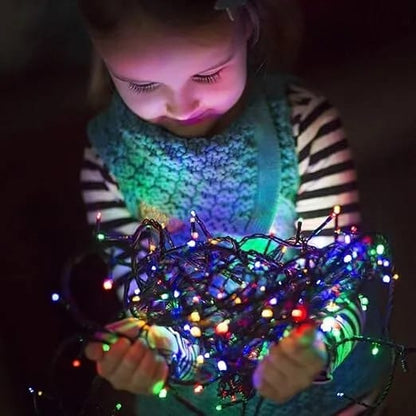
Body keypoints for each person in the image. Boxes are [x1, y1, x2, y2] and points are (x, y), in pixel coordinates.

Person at [77, 0, 390, 414]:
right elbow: (145, 308)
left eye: (207, 74)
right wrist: (153, 351)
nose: (182, 106)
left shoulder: (304, 129)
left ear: (249, 22)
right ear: (102, 52)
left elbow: (341, 287)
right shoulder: (109, 163)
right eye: (143, 85)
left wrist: (318, 345)